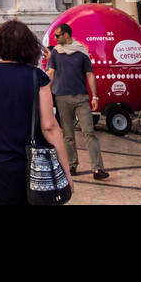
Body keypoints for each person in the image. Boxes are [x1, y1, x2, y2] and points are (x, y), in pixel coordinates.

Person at [0, 19, 72, 206]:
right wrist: (65, 172)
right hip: (34, 169)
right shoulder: (37, 76)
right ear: (29, 46)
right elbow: (50, 127)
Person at [47, 23, 109, 180]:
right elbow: (51, 73)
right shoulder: (55, 52)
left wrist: (95, 96)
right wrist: (45, 90)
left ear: (66, 35)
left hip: (81, 98)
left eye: (57, 35)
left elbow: (90, 75)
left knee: (89, 132)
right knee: (67, 134)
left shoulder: (81, 52)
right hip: (61, 97)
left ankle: (98, 169)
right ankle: (72, 165)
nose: (55, 38)